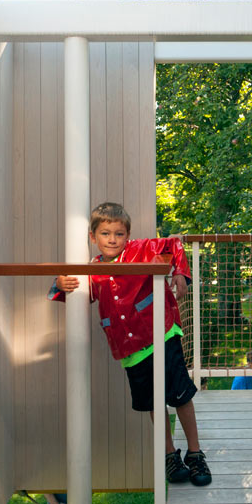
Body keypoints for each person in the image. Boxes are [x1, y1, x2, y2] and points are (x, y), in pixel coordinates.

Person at [50, 202, 212, 487]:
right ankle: (170, 455)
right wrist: (60, 284)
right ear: (93, 237)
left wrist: (180, 274)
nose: (112, 239)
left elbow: (173, 244)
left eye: (119, 234)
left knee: (180, 394)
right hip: (130, 349)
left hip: (162, 333)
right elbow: (73, 293)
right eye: (105, 234)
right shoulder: (91, 271)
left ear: (127, 235)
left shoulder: (141, 250)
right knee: (153, 401)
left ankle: (195, 453)